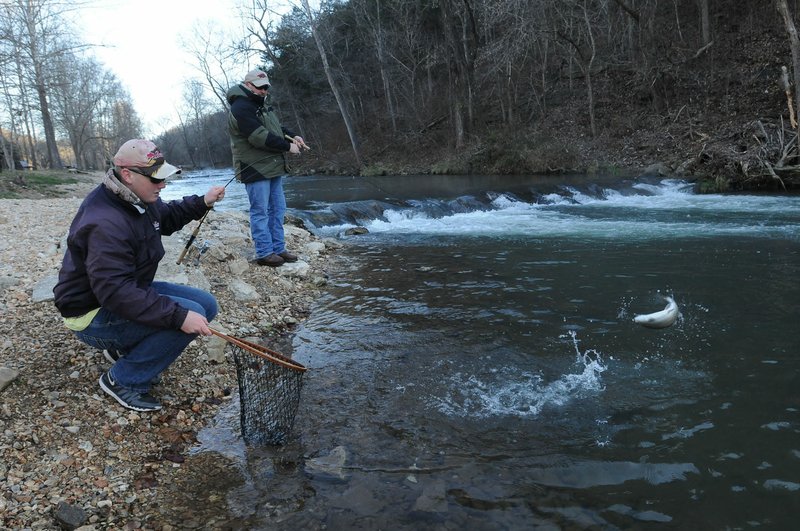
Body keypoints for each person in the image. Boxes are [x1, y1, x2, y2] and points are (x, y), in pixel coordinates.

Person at [53, 139, 226, 412]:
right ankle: (123, 380)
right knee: (187, 315)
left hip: (123, 291)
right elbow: (115, 292)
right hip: (90, 311)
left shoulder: (137, 196)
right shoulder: (104, 221)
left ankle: (126, 348)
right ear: (127, 175)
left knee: (206, 304)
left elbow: (166, 218)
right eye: (156, 179)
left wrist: (202, 202)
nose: (163, 185)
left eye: (164, 177)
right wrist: (179, 317)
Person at [226, 68, 308, 267]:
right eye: (261, 87)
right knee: (260, 211)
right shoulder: (240, 107)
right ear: (248, 85)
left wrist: (292, 136)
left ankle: (279, 249)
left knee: (278, 209)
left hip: (272, 166)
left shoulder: (261, 104)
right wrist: (288, 147)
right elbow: (258, 136)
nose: (264, 91)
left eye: (266, 87)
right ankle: (264, 252)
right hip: (254, 168)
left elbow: (276, 129)